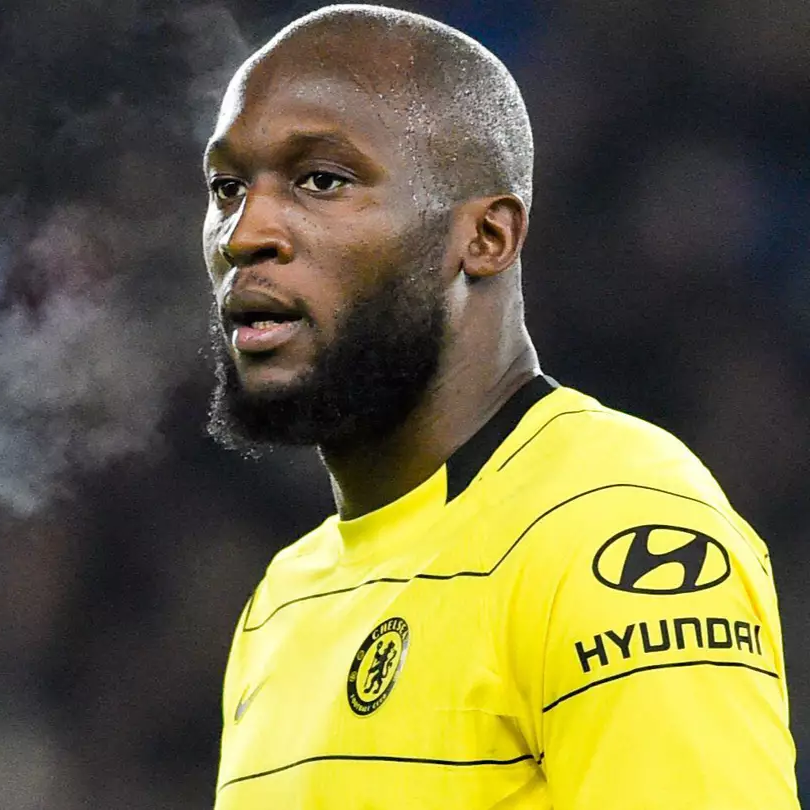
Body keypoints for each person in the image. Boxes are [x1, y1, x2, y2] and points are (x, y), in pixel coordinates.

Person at [200, 5, 797, 808]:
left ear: (486, 236)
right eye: (228, 187)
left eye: (322, 180)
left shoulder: (614, 529)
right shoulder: (284, 598)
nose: (244, 233)